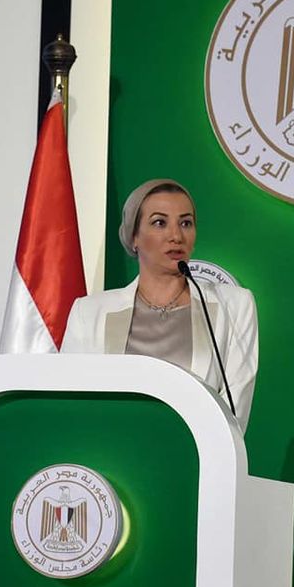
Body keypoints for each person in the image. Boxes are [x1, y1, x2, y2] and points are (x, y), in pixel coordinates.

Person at [61, 179, 259, 430]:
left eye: (185, 223)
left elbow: (235, 410)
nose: (176, 236)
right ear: (134, 236)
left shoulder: (235, 305)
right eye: (159, 223)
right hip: (110, 446)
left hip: (198, 450)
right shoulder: (89, 313)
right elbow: (73, 401)